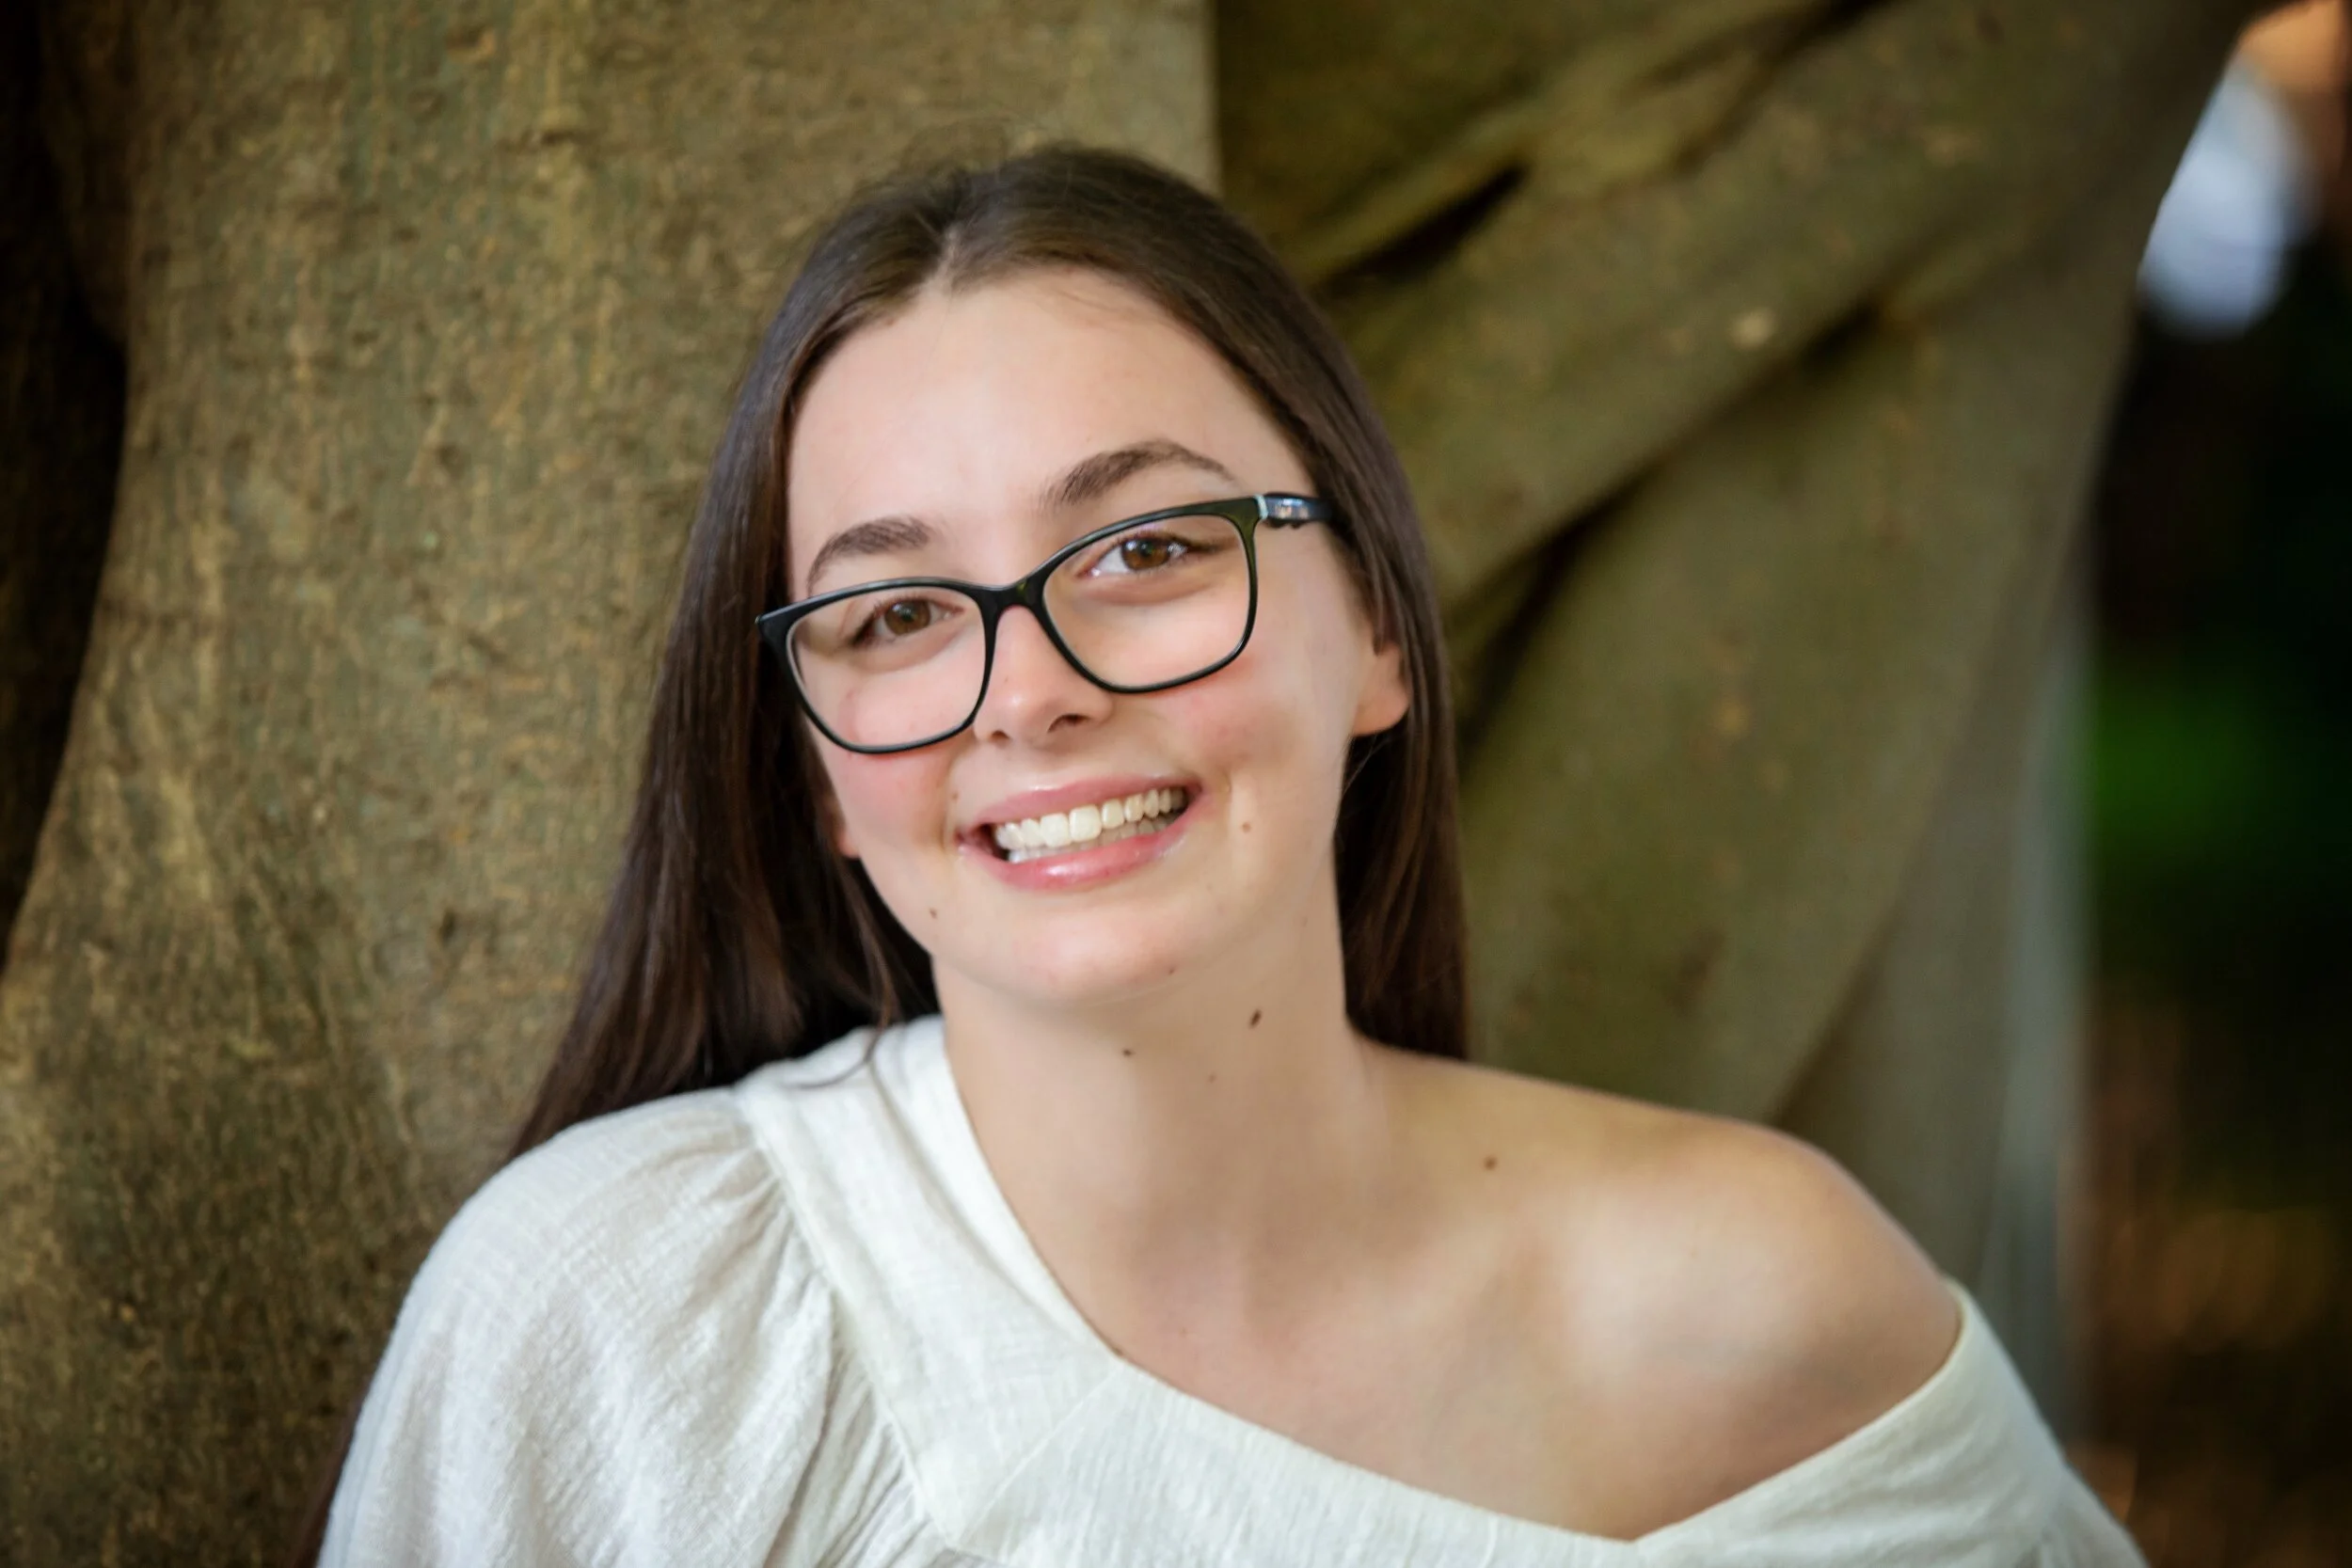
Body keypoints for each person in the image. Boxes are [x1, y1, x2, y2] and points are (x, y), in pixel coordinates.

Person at [315, 147, 2141, 1565]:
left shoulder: (1766, 1308)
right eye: (892, 618)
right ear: (809, 773)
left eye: (1146, 551)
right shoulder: (625, 1319)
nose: (1024, 693)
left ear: (1373, 632)